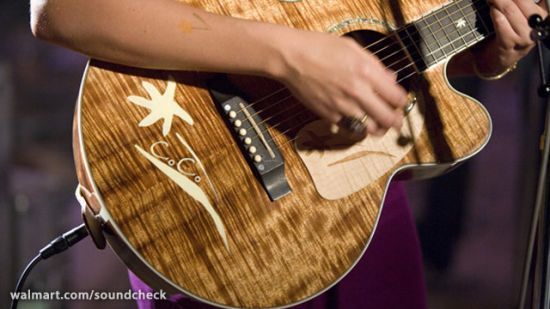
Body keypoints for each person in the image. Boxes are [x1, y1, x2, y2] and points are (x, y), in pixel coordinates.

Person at [29, 0, 545, 308]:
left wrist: (482, 50)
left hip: (361, 214)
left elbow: (365, 31)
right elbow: (60, 9)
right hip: (217, 193)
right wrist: (290, 57)